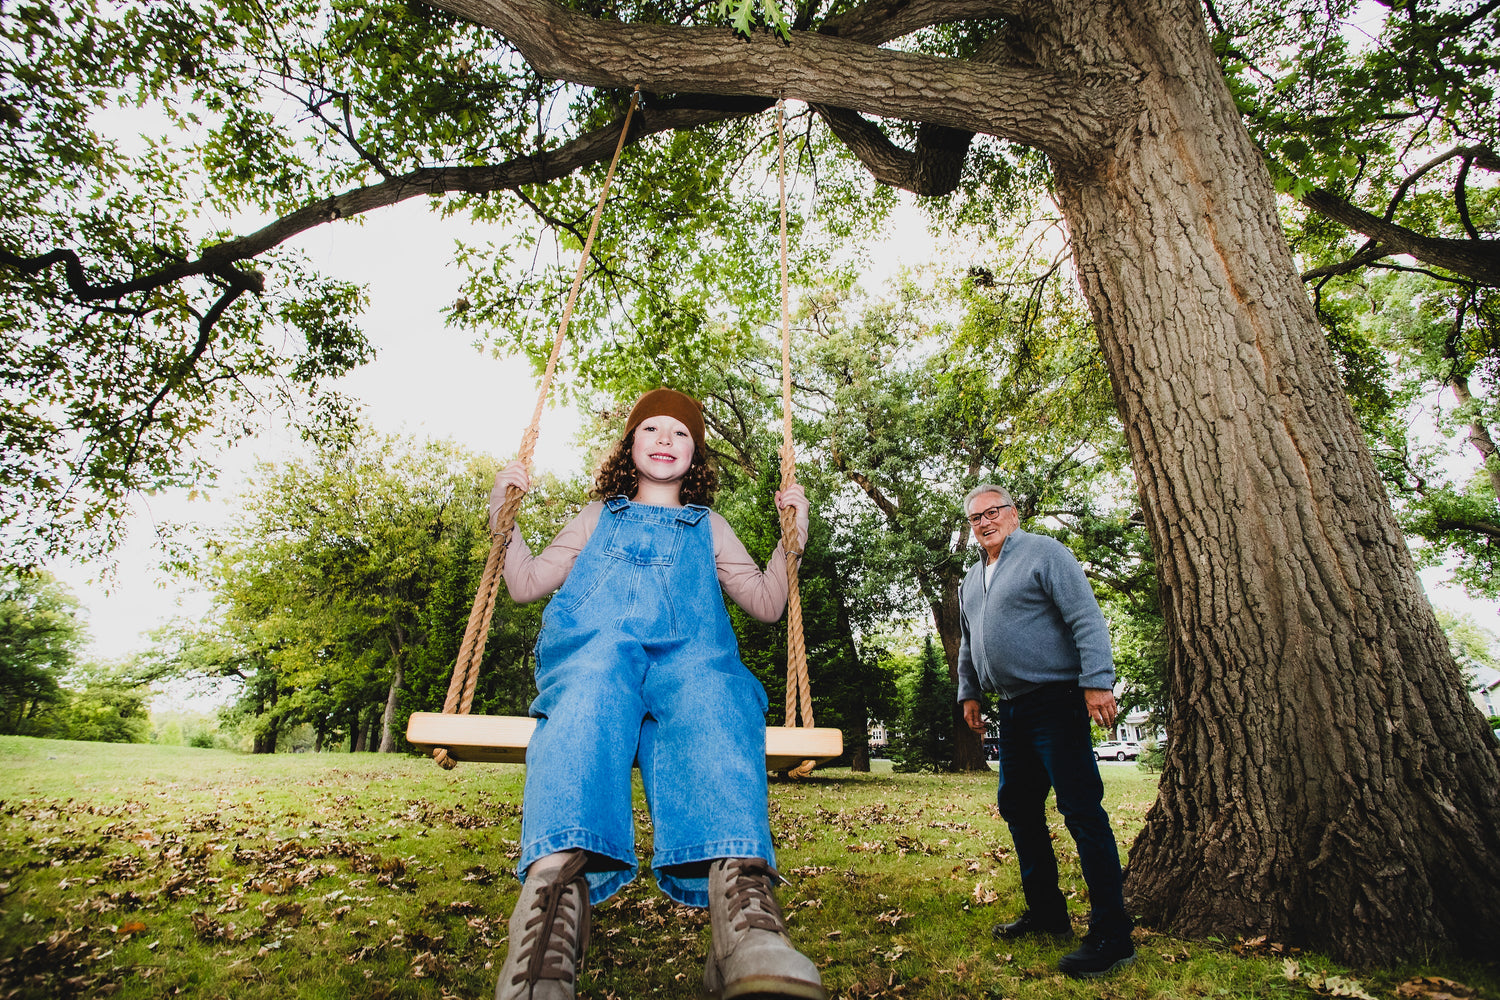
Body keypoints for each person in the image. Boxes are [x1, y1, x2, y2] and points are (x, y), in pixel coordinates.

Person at [487, 387, 827, 1000]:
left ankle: (744, 920)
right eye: (652, 430)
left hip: (691, 659)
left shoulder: (711, 528)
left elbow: (768, 604)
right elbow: (525, 583)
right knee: (586, 702)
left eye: (681, 432)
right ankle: (548, 913)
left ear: (695, 455)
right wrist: (503, 522)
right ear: (631, 445)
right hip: (598, 654)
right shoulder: (598, 517)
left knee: (716, 699)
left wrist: (790, 539)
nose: (666, 439)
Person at [955, 483, 1136, 979]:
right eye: (975, 518)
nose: (984, 522)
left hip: (1057, 701)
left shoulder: (1044, 553)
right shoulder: (971, 579)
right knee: (1017, 806)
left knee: (1080, 810)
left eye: (993, 512)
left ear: (1013, 513)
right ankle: (1048, 912)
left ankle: (1112, 934)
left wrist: (1098, 681)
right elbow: (969, 644)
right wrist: (968, 693)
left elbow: (1085, 616)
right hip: (1011, 711)